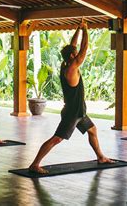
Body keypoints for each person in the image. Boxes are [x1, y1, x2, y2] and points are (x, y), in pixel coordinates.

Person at [29, 20, 113, 174]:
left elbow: (73, 46)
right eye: (74, 53)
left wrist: (79, 29)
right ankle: (35, 164)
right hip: (72, 113)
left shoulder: (65, 64)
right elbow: (84, 49)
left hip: (79, 111)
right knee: (57, 139)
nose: (76, 53)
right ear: (72, 56)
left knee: (93, 130)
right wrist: (86, 30)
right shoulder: (72, 69)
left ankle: (100, 157)